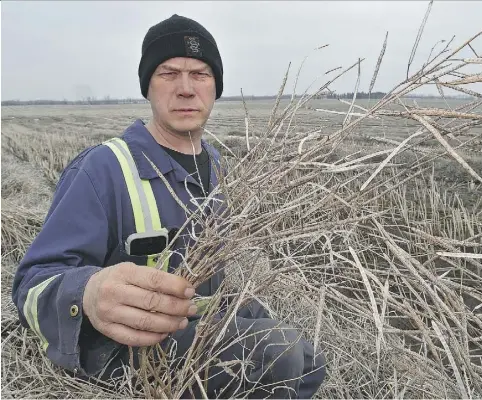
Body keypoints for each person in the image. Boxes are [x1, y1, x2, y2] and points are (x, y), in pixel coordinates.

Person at [11, 14, 326, 399]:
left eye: (200, 74)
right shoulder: (103, 168)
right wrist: (88, 295)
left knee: (310, 362)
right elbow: (31, 285)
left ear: (216, 87)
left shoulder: (217, 167)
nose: (185, 89)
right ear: (147, 86)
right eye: (168, 73)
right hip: (131, 351)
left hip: (195, 324)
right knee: (280, 353)